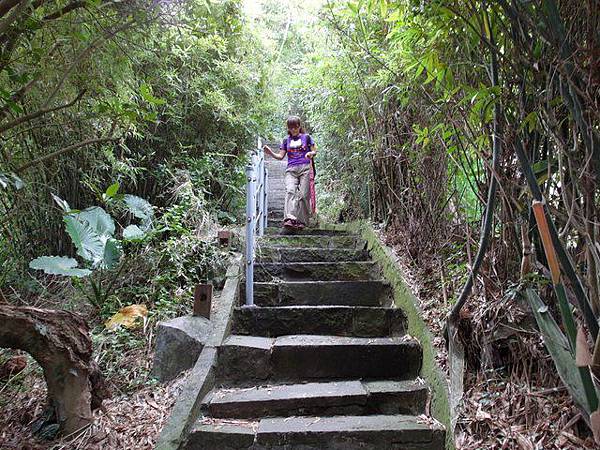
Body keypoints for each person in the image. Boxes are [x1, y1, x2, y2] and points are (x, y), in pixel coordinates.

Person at [263, 116, 317, 230]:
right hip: (291, 169)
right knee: (290, 190)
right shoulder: (286, 140)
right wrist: (271, 153)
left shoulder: (306, 137)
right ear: (288, 128)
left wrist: (310, 154)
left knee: (303, 195)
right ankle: (290, 218)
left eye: (295, 127)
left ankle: (302, 221)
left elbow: (314, 150)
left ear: (299, 126)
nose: (294, 130)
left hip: (305, 168)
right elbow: (280, 156)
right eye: (291, 128)